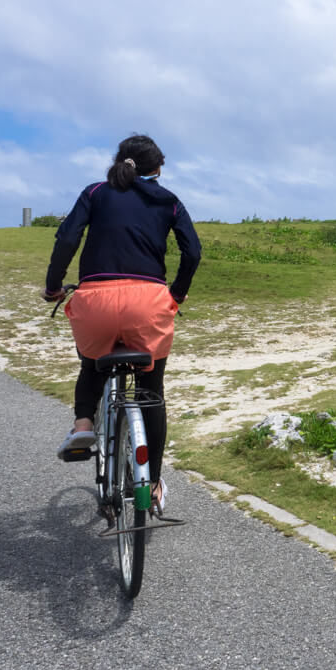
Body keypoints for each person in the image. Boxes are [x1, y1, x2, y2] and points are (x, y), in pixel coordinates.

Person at [42, 134, 201, 517]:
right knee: (152, 390)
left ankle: (83, 423)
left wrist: (52, 286)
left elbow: (67, 238)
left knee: (91, 363)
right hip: (148, 304)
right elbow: (192, 252)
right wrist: (175, 295)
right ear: (157, 170)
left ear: (119, 162)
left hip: (95, 301)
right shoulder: (169, 200)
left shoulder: (95, 192)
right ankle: (154, 482)